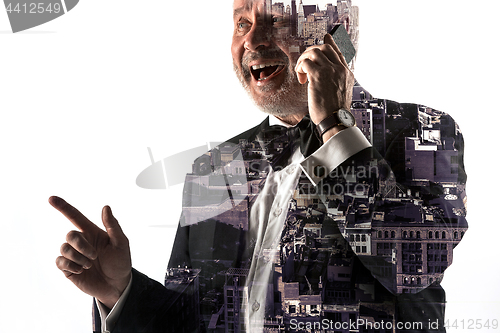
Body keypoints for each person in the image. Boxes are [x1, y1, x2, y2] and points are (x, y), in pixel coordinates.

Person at [51, 0, 467, 332]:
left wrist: (335, 129)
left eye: (275, 20)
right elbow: (193, 321)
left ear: (335, 32)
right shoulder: (214, 168)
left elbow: (416, 266)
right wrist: (120, 291)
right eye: (242, 23)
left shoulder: (421, 129)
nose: (253, 40)